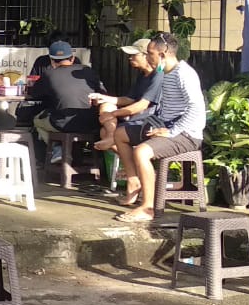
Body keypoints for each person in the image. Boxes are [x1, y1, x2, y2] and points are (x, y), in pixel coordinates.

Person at [114, 33, 206, 223]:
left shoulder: (184, 74)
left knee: (141, 152)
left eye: (150, 54)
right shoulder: (163, 73)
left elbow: (196, 108)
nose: (147, 58)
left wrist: (171, 131)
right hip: (165, 125)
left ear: (163, 54)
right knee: (120, 134)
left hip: (187, 134)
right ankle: (134, 181)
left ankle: (148, 208)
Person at [29, 41, 105, 163]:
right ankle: (72, 153)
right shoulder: (88, 71)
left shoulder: (49, 74)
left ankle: (58, 148)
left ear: (52, 60)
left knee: (37, 120)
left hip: (64, 124)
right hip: (93, 123)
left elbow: (34, 93)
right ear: (73, 58)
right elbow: (102, 94)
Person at [91, 38, 162, 151]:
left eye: (134, 55)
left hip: (148, 121)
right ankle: (113, 139)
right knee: (106, 108)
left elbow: (142, 105)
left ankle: (117, 143)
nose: (130, 57)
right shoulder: (142, 75)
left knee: (109, 131)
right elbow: (129, 99)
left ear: (146, 55)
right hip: (135, 117)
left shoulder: (158, 75)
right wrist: (104, 98)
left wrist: (113, 114)